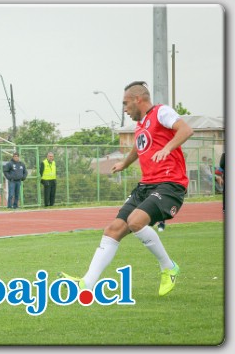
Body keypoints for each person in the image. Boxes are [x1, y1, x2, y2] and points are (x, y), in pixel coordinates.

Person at [59, 80, 194, 297]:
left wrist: (168, 148)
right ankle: (86, 284)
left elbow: (186, 130)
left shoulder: (161, 112)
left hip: (170, 184)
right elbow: (138, 147)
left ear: (137, 99)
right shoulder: (142, 124)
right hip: (146, 186)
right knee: (113, 230)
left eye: (125, 103)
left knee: (135, 221)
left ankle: (169, 267)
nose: (124, 109)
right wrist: (125, 163)